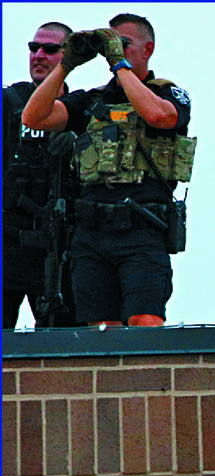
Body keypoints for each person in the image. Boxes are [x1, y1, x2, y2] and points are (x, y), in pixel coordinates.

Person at [22, 13, 194, 327]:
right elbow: (33, 117)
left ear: (147, 49)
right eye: (111, 45)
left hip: (142, 228)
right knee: (101, 330)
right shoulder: (93, 100)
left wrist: (120, 65)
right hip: (92, 233)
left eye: (124, 44)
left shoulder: (168, 93)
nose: (115, 50)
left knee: (144, 322)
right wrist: (66, 65)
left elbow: (159, 116)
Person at [3, 21, 79, 329]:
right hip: (8, 242)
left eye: (49, 49)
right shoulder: (8, 103)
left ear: (68, 56)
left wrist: (79, 142)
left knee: (65, 345)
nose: (39, 55)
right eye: (34, 48)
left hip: (58, 247)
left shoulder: (80, 109)